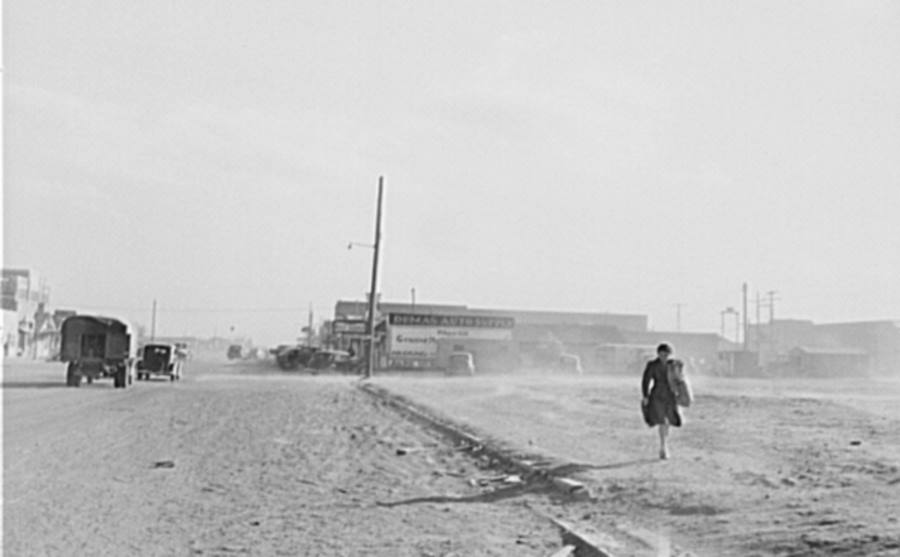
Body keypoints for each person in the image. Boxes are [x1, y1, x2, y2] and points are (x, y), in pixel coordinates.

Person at [641, 343, 682, 459]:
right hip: (657, 395)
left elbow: (680, 380)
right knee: (662, 421)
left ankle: (664, 444)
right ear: (658, 354)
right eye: (662, 354)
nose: (664, 356)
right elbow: (646, 380)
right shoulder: (652, 365)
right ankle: (663, 447)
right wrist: (645, 396)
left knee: (668, 421)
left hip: (671, 395)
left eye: (666, 354)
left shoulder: (674, 365)